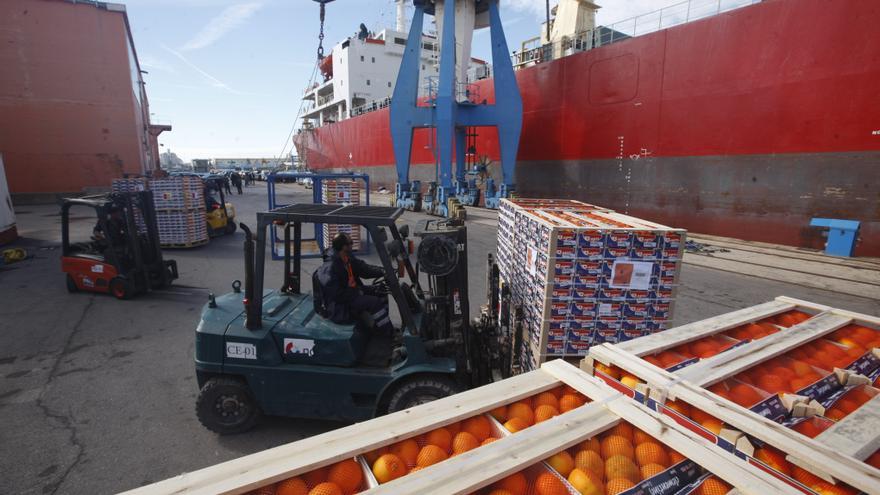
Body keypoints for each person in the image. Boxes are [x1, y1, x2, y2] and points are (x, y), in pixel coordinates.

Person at [318, 233, 394, 335]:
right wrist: (357, 292)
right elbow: (336, 295)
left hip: (352, 292)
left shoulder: (346, 257)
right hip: (340, 304)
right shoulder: (330, 268)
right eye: (351, 243)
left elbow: (363, 269)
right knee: (374, 302)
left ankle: (380, 325)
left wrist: (383, 271)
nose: (352, 245)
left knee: (381, 290)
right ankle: (388, 333)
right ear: (344, 246)